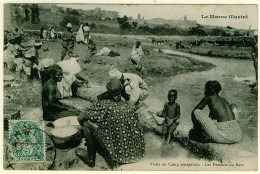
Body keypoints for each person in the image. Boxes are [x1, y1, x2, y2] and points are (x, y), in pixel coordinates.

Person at [76, 78, 145, 168]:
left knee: (86, 123)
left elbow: (80, 117)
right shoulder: (129, 106)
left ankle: (90, 158)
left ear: (108, 91)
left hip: (117, 151)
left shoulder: (104, 105)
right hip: (135, 152)